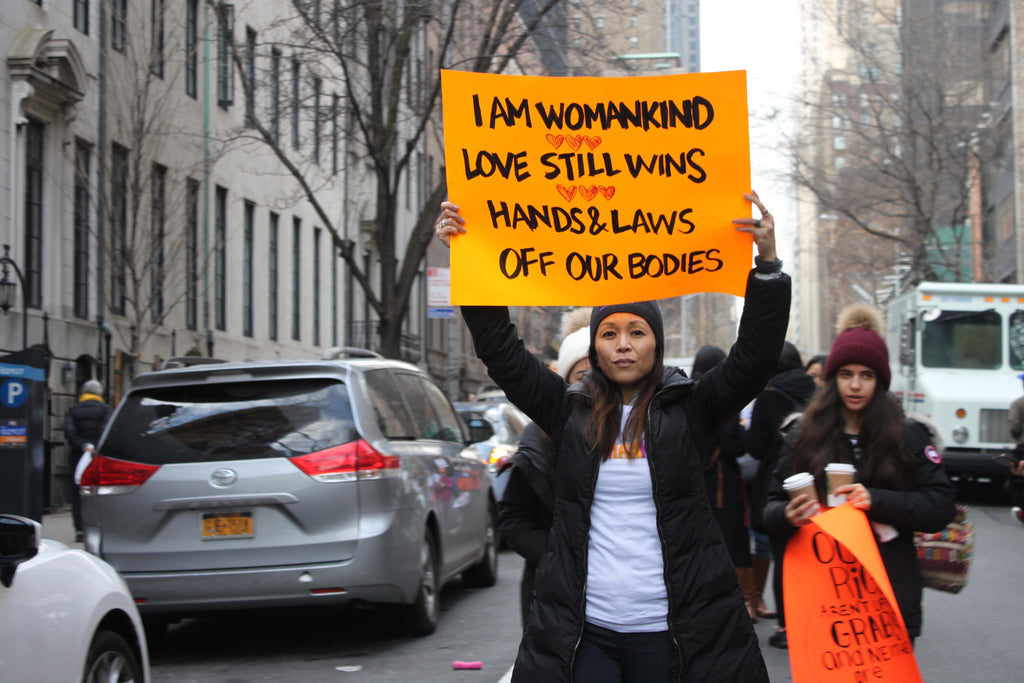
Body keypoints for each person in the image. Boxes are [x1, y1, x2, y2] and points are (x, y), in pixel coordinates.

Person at [436, 191, 789, 682]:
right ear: (596, 346)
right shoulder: (566, 409)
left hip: (670, 632)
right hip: (587, 633)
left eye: (637, 332)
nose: (623, 344)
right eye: (610, 333)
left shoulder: (692, 409)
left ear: (657, 343)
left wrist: (767, 267)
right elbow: (502, 352)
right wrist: (470, 260)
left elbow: (754, 357)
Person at [762, 303, 956, 646]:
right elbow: (770, 506)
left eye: (866, 375)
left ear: (880, 381)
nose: (855, 385)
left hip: (888, 593)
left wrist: (877, 500)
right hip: (823, 594)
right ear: (832, 377)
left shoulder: (908, 435)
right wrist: (787, 514)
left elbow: (940, 506)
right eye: (846, 374)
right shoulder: (803, 434)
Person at [499, 307, 591, 629]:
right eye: (583, 377)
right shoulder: (538, 440)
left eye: (600, 375)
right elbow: (513, 518)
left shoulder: (634, 436)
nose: (592, 386)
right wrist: (557, 557)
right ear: (564, 383)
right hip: (552, 597)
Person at [743, 341, 817, 648]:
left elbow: (756, 448)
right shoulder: (815, 389)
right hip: (813, 482)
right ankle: (813, 619)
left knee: (783, 556)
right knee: (810, 556)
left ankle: (788, 626)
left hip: (777, 480)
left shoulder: (770, 395)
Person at [690, 345, 756, 620]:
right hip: (724, 483)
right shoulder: (725, 402)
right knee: (734, 540)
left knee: (697, 542)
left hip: (693, 482)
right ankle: (746, 602)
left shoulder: (685, 399)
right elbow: (738, 446)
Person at [64, 379, 112, 542]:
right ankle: (99, 526)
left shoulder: (73, 410)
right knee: (100, 490)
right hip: (99, 456)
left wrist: (83, 446)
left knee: (77, 492)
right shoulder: (105, 410)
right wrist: (96, 446)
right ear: (99, 393)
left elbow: (69, 432)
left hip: (78, 455)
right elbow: (106, 430)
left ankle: (79, 529)